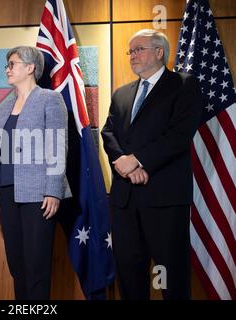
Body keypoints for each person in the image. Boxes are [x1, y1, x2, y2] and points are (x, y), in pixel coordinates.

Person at [101, 29, 203, 299]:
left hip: (164, 198)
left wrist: (137, 160)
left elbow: (179, 134)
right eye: (130, 51)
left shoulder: (184, 85)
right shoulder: (122, 94)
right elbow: (108, 133)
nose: (132, 56)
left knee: (172, 276)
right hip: (124, 200)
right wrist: (122, 162)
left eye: (139, 49)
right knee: (129, 273)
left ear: (159, 52)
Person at [0, 46, 69, 300]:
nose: (8, 69)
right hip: (7, 194)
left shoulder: (49, 99)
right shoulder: (4, 106)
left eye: (13, 64)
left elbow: (57, 146)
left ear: (30, 68)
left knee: (36, 266)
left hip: (38, 195)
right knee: (17, 265)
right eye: (7, 65)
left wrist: (53, 190)